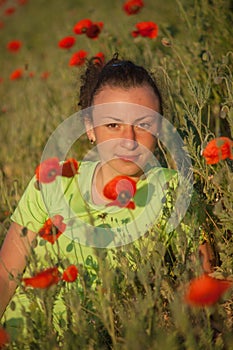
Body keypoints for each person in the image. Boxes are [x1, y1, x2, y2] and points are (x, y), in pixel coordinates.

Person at [0, 53, 212, 339]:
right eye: (113, 125)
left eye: (144, 125)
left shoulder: (173, 192)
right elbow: (5, 275)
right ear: (89, 127)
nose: (129, 140)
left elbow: (203, 283)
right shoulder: (52, 181)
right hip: (20, 333)